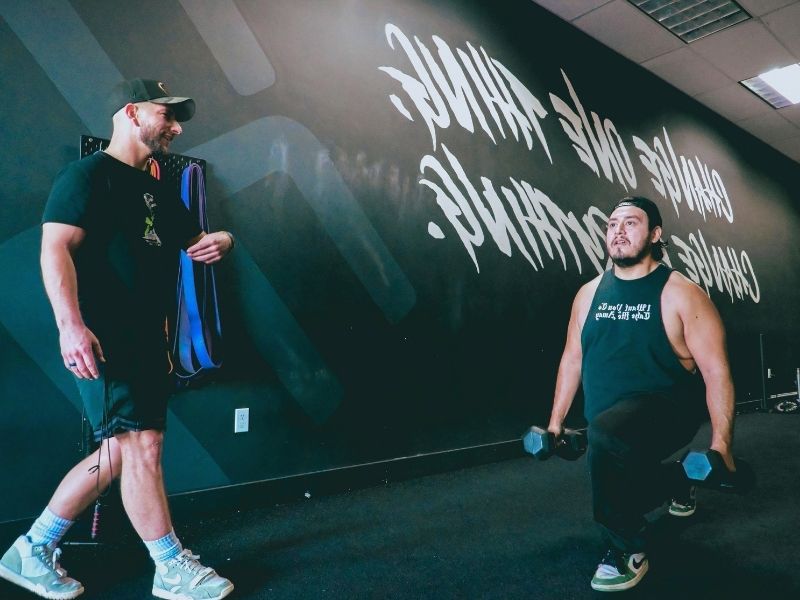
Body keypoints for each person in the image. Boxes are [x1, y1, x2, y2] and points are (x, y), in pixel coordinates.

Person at [0, 79, 235, 600]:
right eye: (167, 115)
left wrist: (222, 239)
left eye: (179, 120)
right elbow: (54, 249)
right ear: (131, 112)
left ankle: (31, 549)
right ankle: (171, 566)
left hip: (150, 343)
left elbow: (197, 238)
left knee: (118, 454)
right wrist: (70, 326)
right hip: (105, 340)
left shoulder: (155, 188)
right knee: (141, 446)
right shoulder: (85, 176)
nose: (175, 127)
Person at [546, 196, 736, 592]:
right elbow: (572, 359)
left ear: (655, 234)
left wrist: (722, 445)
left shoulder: (681, 293)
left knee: (610, 446)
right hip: (605, 422)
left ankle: (626, 548)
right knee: (615, 460)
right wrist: (555, 424)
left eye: (630, 223)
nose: (617, 230)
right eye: (612, 224)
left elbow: (717, 371)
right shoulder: (588, 293)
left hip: (669, 411)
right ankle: (681, 479)